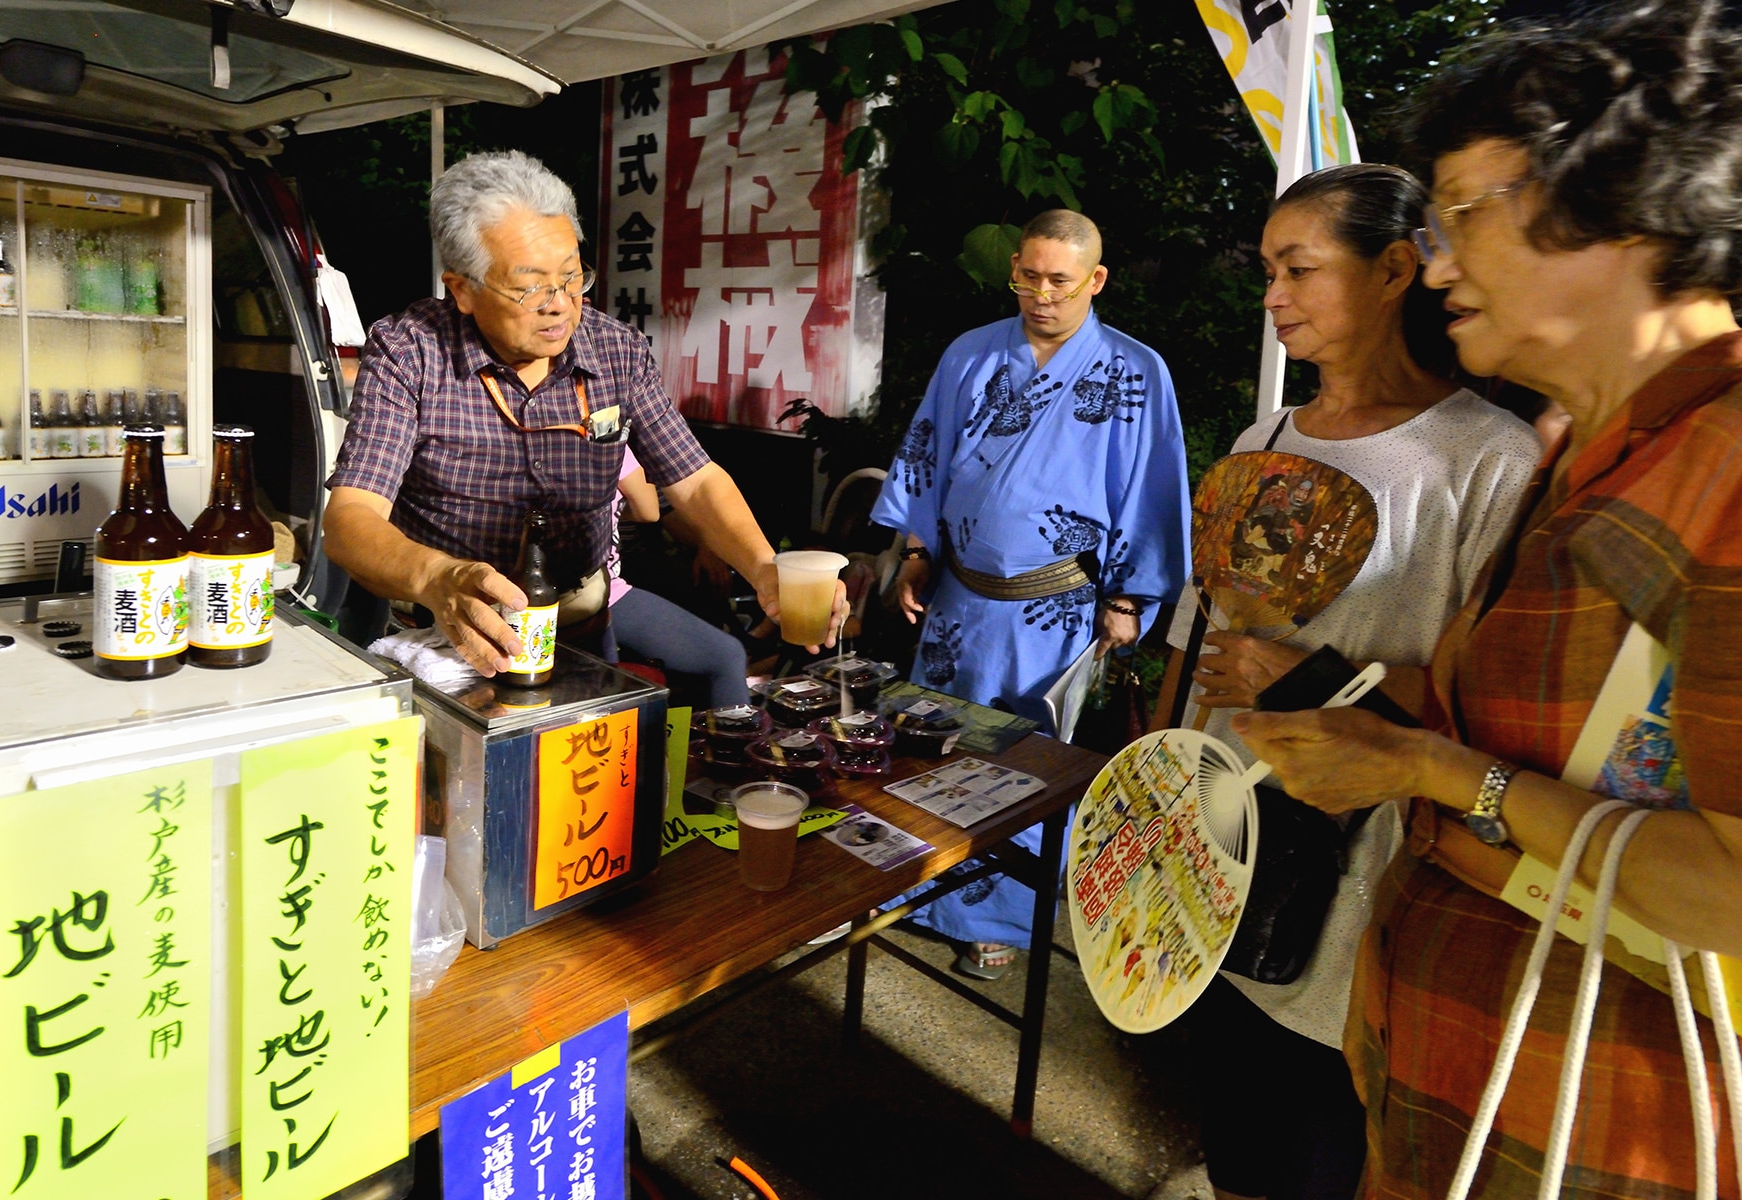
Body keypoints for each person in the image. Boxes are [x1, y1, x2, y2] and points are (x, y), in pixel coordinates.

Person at [1231, 5, 1742, 1196]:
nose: (1442, 259)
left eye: (1464, 211)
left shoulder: (1721, 474)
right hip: (1455, 1088)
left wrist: (1431, 772)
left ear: (1623, 204)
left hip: (1601, 1124)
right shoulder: (1586, 449)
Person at [1154, 164, 1539, 1200]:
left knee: (1327, 1140)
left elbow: (1496, 709)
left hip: (1363, 873)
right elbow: (1195, 647)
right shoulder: (1259, 439)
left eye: (1299, 268)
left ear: (1394, 270)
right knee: (1235, 1129)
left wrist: (1311, 675)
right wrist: (1150, 789)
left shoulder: (1485, 462)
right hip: (1222, 841)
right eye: (1269, 270)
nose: (1272, 294)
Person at [323, 151, 844, 674]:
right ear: (462, 288)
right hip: (449, 640)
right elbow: (351, 517)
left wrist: (764, 567)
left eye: (572, 277)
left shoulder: (614, 349)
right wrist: (436, 576)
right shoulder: (410, 351)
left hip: (583, 630)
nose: (560, 304)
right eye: (530, 286)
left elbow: (695, 481)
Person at [873, 209, 1192, 978]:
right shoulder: (970, 355)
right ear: (1013, 267)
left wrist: (1130, 598)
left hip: (1055, 611)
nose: (1041, 294)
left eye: (1059, 280)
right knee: (931, 744)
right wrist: (916, 551)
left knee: (1026, 764)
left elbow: (1154, 490)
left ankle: (1001, 919)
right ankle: (918, 887)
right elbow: (928, 453)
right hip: (958, 598)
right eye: (1029, 276)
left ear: (1096, 280)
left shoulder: (1135, 371)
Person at [605, 448, 751, 708]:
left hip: (591, 589)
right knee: (727, 656)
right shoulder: (610, 440)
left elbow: (667, 509)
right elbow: (649, 510)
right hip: (606, 590)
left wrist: (707, 548)